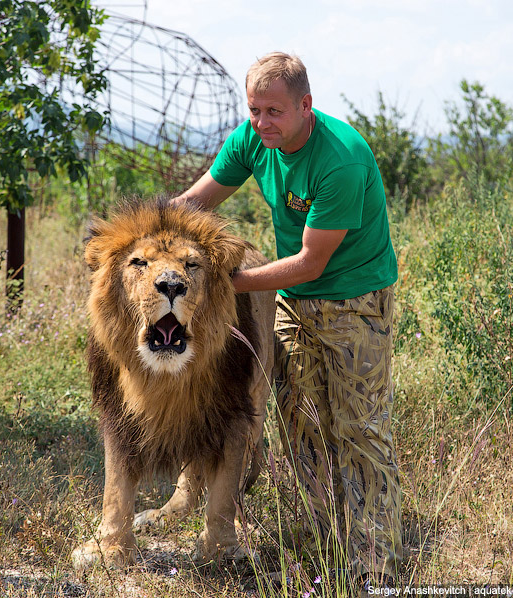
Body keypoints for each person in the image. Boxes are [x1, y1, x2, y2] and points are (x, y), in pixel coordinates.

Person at [171, 51, 402, 586]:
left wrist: (223, 282)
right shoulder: (254, 139)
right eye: (254, 109)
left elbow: (310, 262)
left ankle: (375, 565)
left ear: (306, 105)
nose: (261, 122)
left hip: (353, 302)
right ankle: (323, 545)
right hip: (292, 303)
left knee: (358, 429)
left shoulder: (339, 159)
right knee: (301, 426)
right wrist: (146, 237)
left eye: (273, 111)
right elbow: (196, 200)